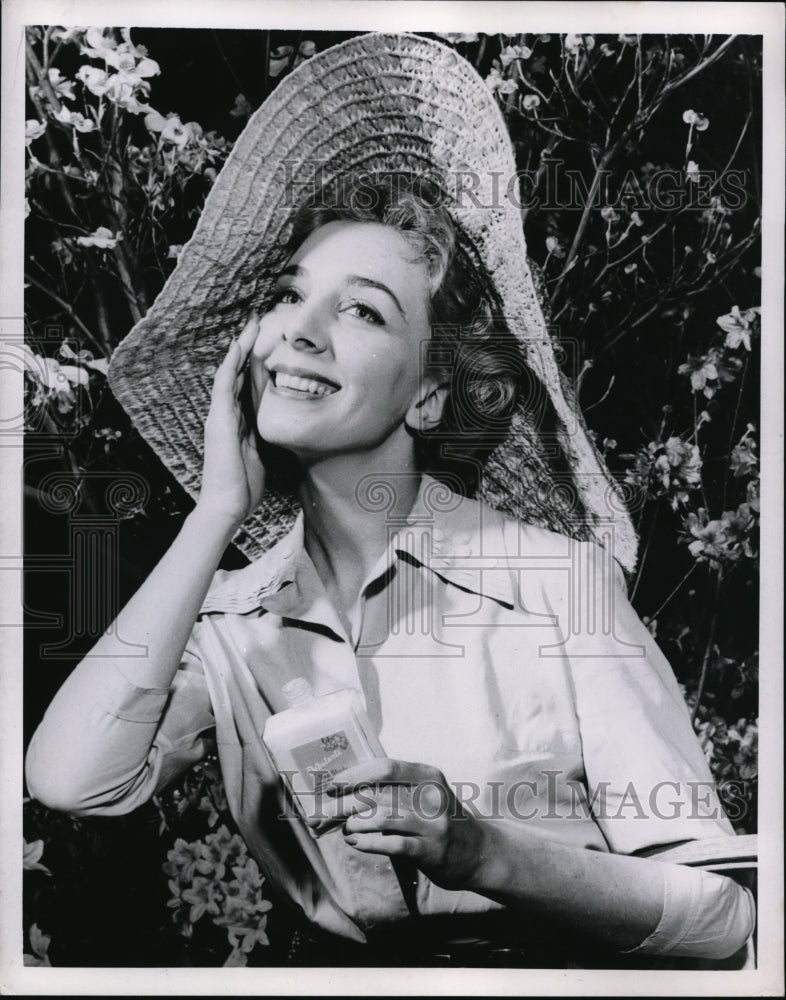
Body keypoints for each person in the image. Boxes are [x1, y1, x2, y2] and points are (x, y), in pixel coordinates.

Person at [25, 33, 755, 967]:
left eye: (364, 310)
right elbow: (70, 780)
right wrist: (214, 516)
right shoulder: (231, 618)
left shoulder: (554, 582)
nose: (304, 332)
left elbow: (725, 918)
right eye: (292, 296)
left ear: (427, 393)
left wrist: (479, 849)